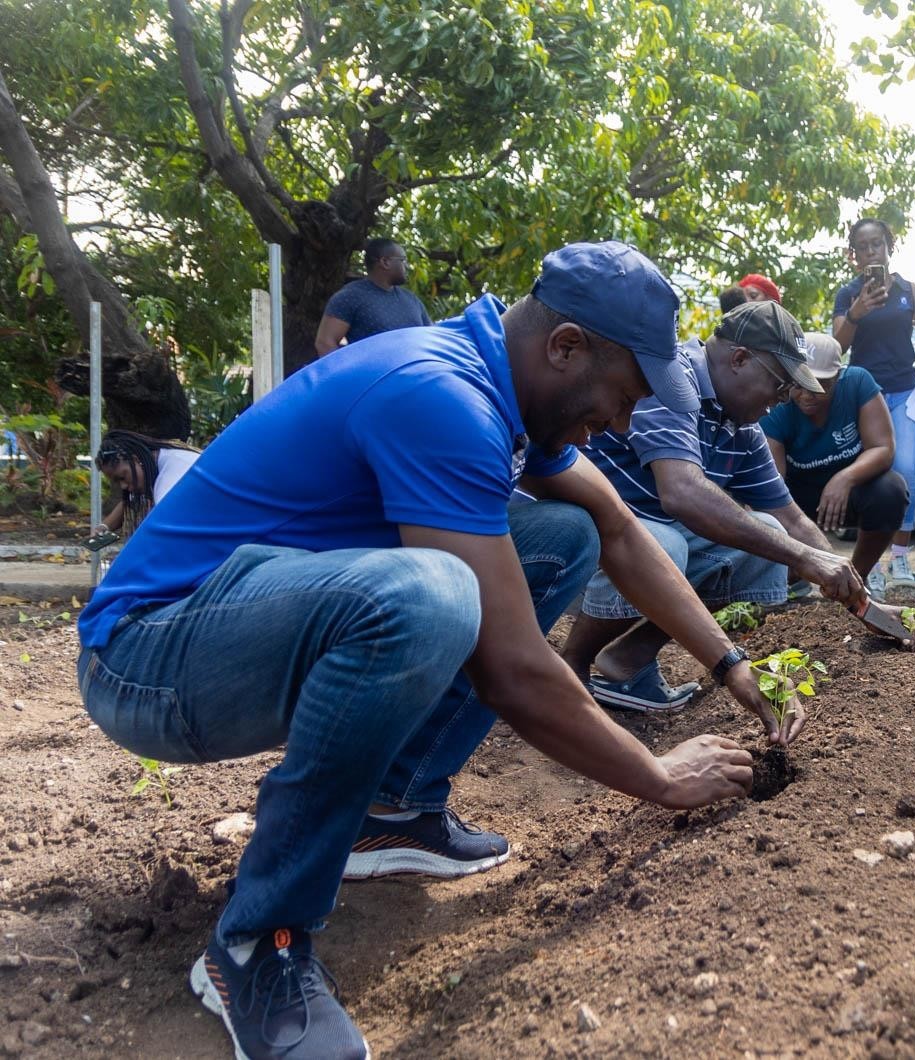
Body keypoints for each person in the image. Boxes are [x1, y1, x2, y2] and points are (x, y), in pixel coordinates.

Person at [77, 241, 796, 1059]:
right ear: (566, 348)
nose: (627, 423)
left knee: (559, 535)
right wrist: (660, 779)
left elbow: (619, 530)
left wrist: (734, 667)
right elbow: (514, 669)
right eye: (624, 397)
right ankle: (257, 941)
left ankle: (395, 812)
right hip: (147, 658)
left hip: (234, 627)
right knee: (432, 597)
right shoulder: (440, 396)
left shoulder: (500, 386)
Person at [568, 300, 873, 712]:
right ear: (740, 358)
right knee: (666, 545)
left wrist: (854, 590)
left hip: (641, 537)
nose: (783, 400)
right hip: (579, 539)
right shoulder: (674, 378)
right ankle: (573, 663)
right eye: (780, 385)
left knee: (769, 536)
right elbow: (683, 493)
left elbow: (791, 518)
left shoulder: (740, 424)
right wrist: (804, 558)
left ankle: (628, 660)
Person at [834, 218, 915, 587]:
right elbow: (838, 345)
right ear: (853, 255)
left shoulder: (911, 291)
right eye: (863, 247)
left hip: (905, 392)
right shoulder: (847, 294)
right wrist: (857, 312)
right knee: (869, 475)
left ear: (889, 247)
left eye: (877, 244)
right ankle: (868, 565)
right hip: (863, 394)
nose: (871, 252)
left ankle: (900, 561)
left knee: (904, 471)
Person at [760, 333, 908, 594]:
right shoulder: (778, 405)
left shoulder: (858, 382)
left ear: (838, 377)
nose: (808, 394)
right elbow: (772, 483)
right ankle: (787, 579)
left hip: (853, 489)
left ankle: (854, 581)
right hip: (797, 496)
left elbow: (883, 448)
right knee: (764, 510)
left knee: (892, 491)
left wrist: (844, 479)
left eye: (821, 385)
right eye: (801, 384)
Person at [314, 238, 432, 356]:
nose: (408, 266)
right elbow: (325, 343)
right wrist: (354, 374)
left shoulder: (411, 299)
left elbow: (432, 337)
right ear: (385, 262)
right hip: (375, 374)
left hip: (417, 372)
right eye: (403, 260)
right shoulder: (350, 296)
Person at [92, 430, 200, 536]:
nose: (123, 486)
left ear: (136, 459)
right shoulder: (166, 456)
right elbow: (130, 500)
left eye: (122, 477)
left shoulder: (168, 485)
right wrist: (105, 526)